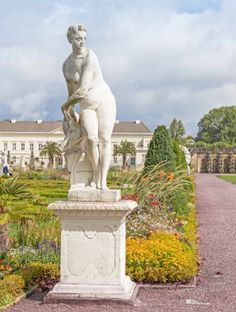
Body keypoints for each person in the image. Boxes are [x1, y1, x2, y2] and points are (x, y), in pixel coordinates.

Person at [61, 25, 116, 190]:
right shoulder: (67, 65)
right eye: (78, 38)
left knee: (104, 139)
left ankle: (102, 180)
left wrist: (64, 105)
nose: (82, 42)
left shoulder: (90, 56)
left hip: (104, 100)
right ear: (70, 39)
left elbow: (82, 90)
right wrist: (68, 113)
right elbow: (71, 92)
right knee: (91, 138)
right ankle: (95, 171)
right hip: (87, 106)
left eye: (84, 38)